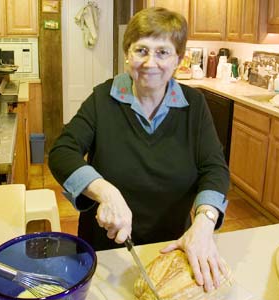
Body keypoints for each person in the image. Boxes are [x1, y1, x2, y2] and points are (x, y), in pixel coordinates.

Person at [49, 7, 230, 292]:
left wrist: (204, 224)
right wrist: (105, 191)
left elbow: (214, 168)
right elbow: (62, 151)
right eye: (141, 50)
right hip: (106, 251)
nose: (150, 62)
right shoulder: (102, 99)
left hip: (171, 249)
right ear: (127, 55)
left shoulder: (194, 105)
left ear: (178, 60)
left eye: (163, 52)